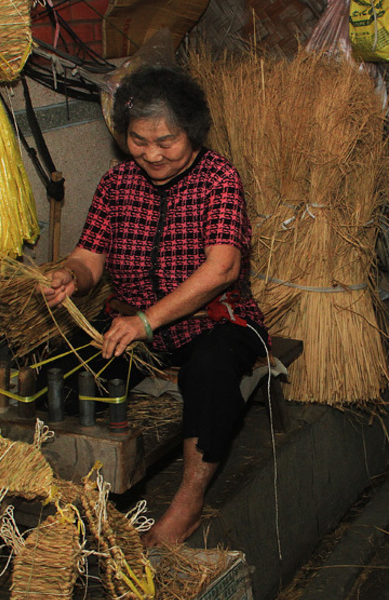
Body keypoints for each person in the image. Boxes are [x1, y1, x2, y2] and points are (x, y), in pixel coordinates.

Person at [43, 66, 267, 545]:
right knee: (57, 365)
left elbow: (222, 269)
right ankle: (69, 491)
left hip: (213, 323)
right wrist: (69, 274)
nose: (151, 153)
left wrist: (149, 320)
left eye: (166, 140)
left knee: (210, 372)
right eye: (139, 140)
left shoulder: (218, 179)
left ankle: (186, 505)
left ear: (192, 131)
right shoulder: (117, 183)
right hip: (133, 320)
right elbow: (89, 258)